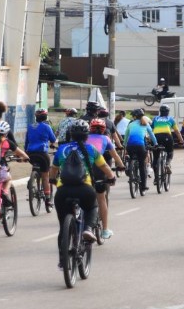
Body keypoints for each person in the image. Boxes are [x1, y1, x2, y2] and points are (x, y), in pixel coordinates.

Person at [48, 120, 114, 260]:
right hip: (85, 189)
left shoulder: (62, 149)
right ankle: (88, 229)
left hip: (63, 191)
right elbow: (105, 167)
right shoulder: (91, 149)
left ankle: (63, 260)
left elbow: (53, 170)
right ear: (86, 136)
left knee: (63, 227)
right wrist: (111, 177)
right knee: (92, 207)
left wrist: (52, 180)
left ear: (71, 135)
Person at [87, 118, 124, 239]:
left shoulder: (84, 138)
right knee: (101, 199)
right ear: (104, 130)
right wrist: (121, 166)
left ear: (90, 129)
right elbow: (115, 155)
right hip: (98, 169)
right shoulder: (106, 138)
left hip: (83, 169)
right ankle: (105, 230)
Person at [25, 108, 58, 210]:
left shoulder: (30, 126)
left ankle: (32, 180)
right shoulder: (46, 126)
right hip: (42, 154)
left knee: (35, 166)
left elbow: (26, 142)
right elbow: (53, 139)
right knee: (45, 176)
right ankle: (48, 200)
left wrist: (26, 153)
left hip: (30, 154)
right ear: (45, 117)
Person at [123, 108, 156, 193]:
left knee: (131, 158)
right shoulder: (145, 124)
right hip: (140, 147)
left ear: (134, 117)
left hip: (130, 147)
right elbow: (152, 135)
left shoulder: (130, 124)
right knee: (142, 165)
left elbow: (126, 137)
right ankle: (143, 186)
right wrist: (156, 144)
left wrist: (124, 145)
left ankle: (131, 169)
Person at [151, 105, 184, 175]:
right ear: (168, 112)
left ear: (160, 111)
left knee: (155, 157)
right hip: (167, 136)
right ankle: (167, 163)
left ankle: (156, 178)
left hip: (156, 137)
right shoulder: (170, 119)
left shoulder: (155, 118)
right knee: (170, 152)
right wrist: (181, 140)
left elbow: (151, 129)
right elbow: (177, 131)